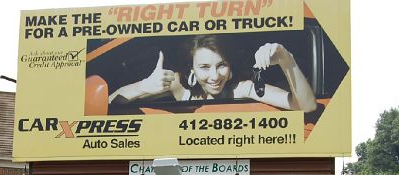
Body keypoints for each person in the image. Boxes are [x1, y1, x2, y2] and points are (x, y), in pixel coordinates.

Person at [109, 35, 317, 112]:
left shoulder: (242, 88)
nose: (215, 76)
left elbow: (305, 106)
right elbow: (111, 102)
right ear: (191, 69)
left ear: (231, 66)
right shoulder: (177, 84)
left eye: (221, 65)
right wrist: (142, 87)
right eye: (204, 67)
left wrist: (286, 60)